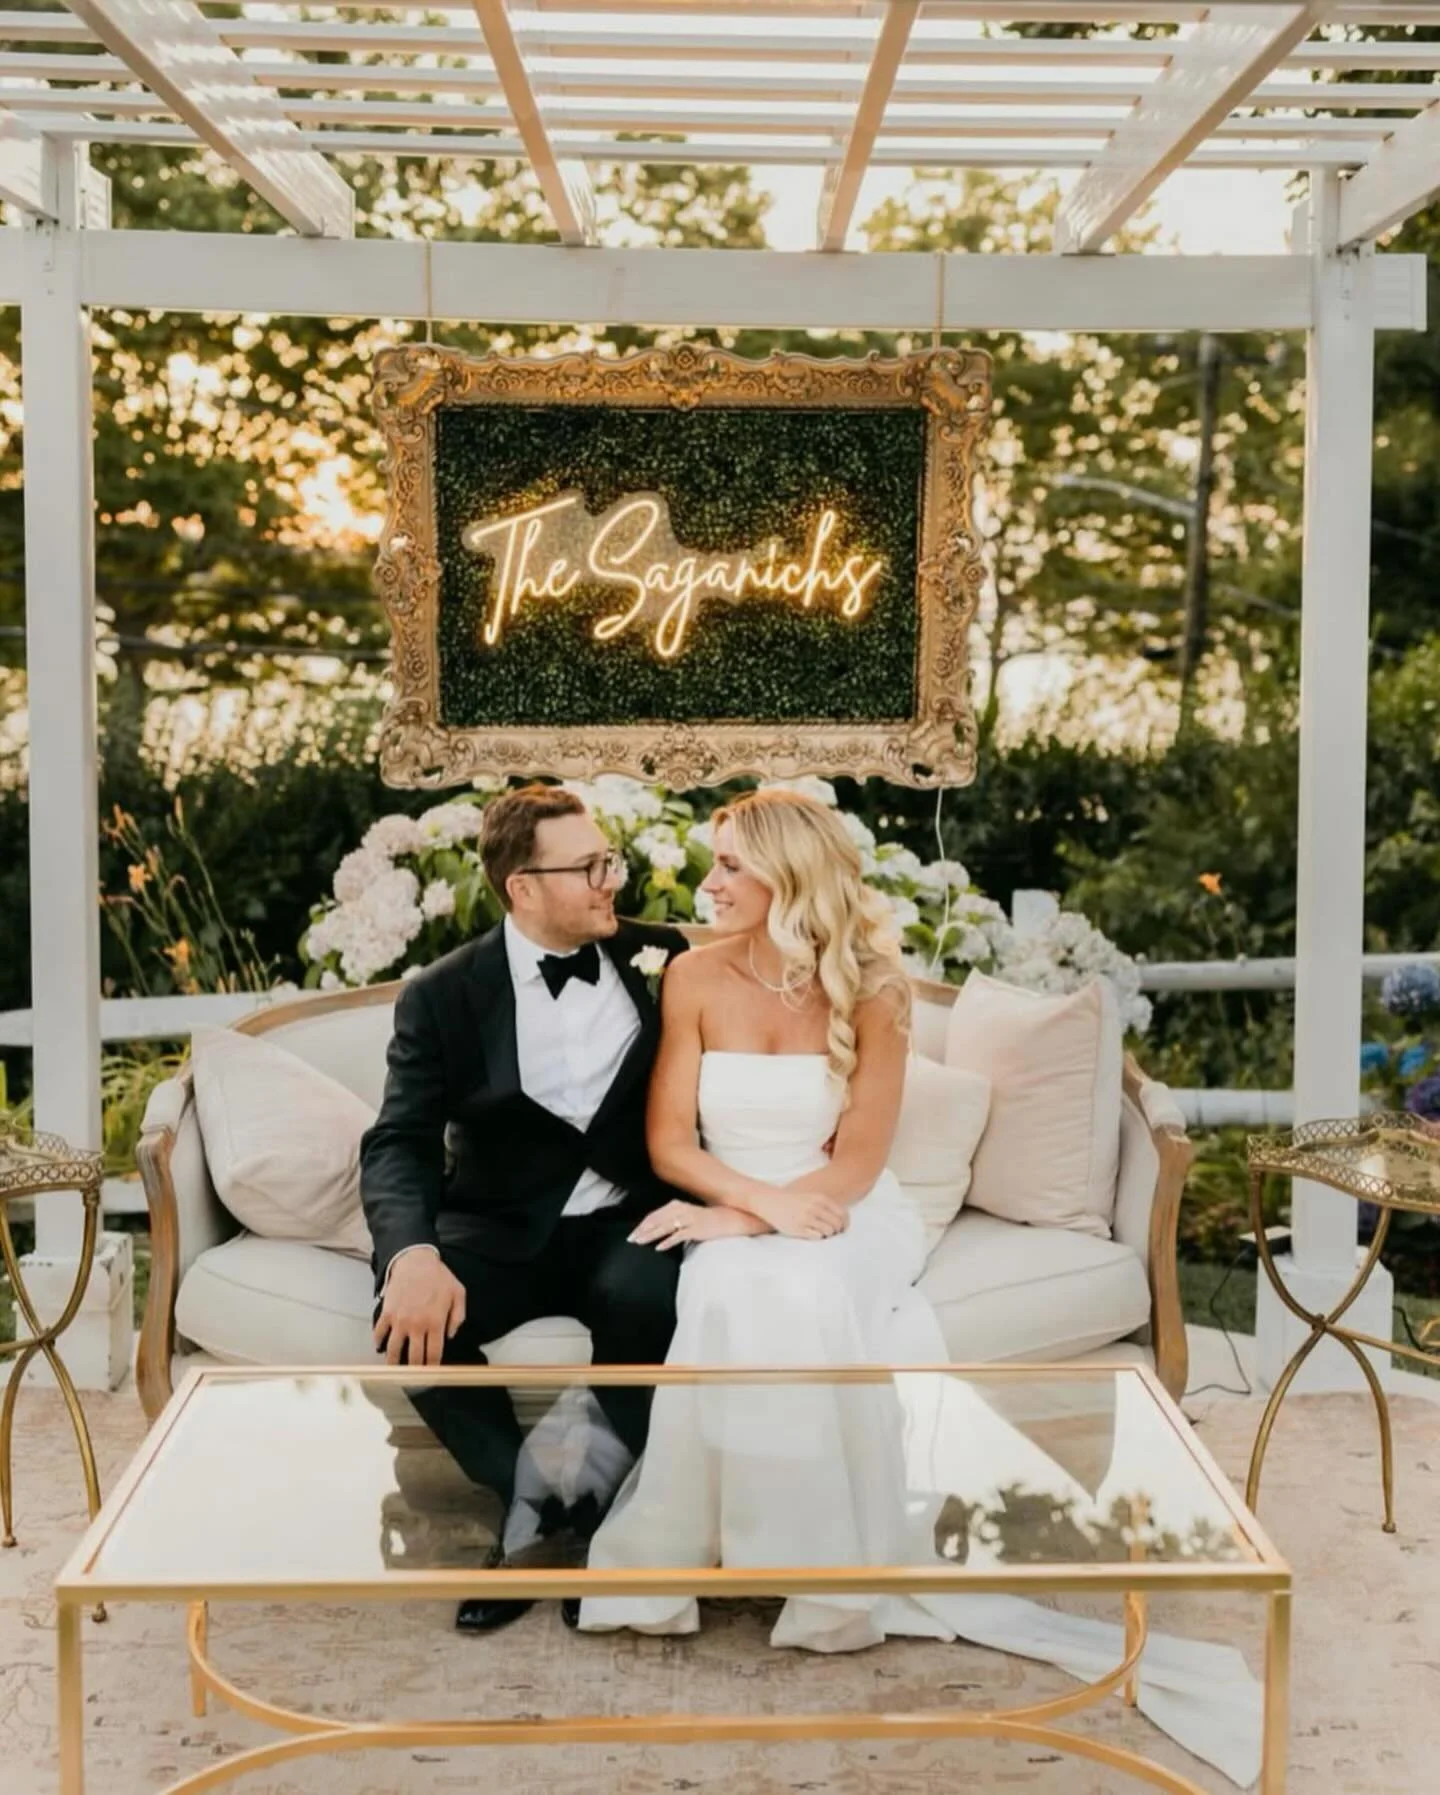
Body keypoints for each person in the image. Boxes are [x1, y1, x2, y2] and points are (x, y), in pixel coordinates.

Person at [360, 784, 689, 1634]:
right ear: (523, 889)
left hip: (627, 1219)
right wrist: (412, 1256)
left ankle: (565, 1532)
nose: (609, 879)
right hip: (499, 1227)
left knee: (650, 1300)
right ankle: (535, 1506)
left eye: (607, 859)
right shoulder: (440, 994)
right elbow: (397, 1141)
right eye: (588, 867)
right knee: (409, 1323)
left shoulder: (665, 959)